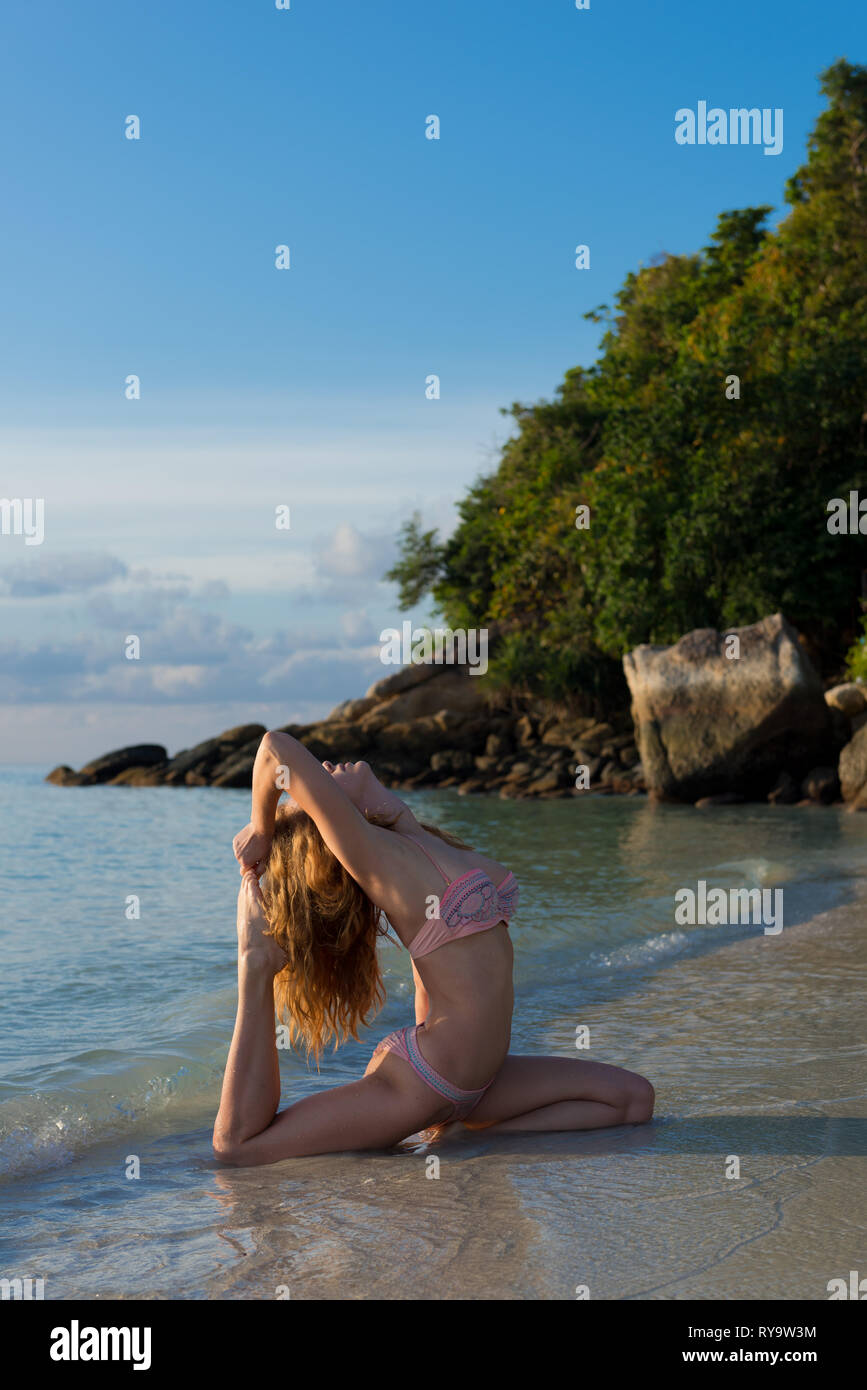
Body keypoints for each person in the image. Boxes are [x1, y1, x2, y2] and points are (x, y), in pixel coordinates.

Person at [213, 730, 654, 1166]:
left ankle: (463, 1137)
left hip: (480, 1082)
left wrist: (392, 810)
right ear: (330, 822)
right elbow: (275, 749)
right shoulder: (372, 855)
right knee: (239, 1147)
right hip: (423, 1081)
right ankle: (255, 963)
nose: (327, 768)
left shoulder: (412, 842)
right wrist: (262, 825)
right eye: (315, 791)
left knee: (633, 1101)